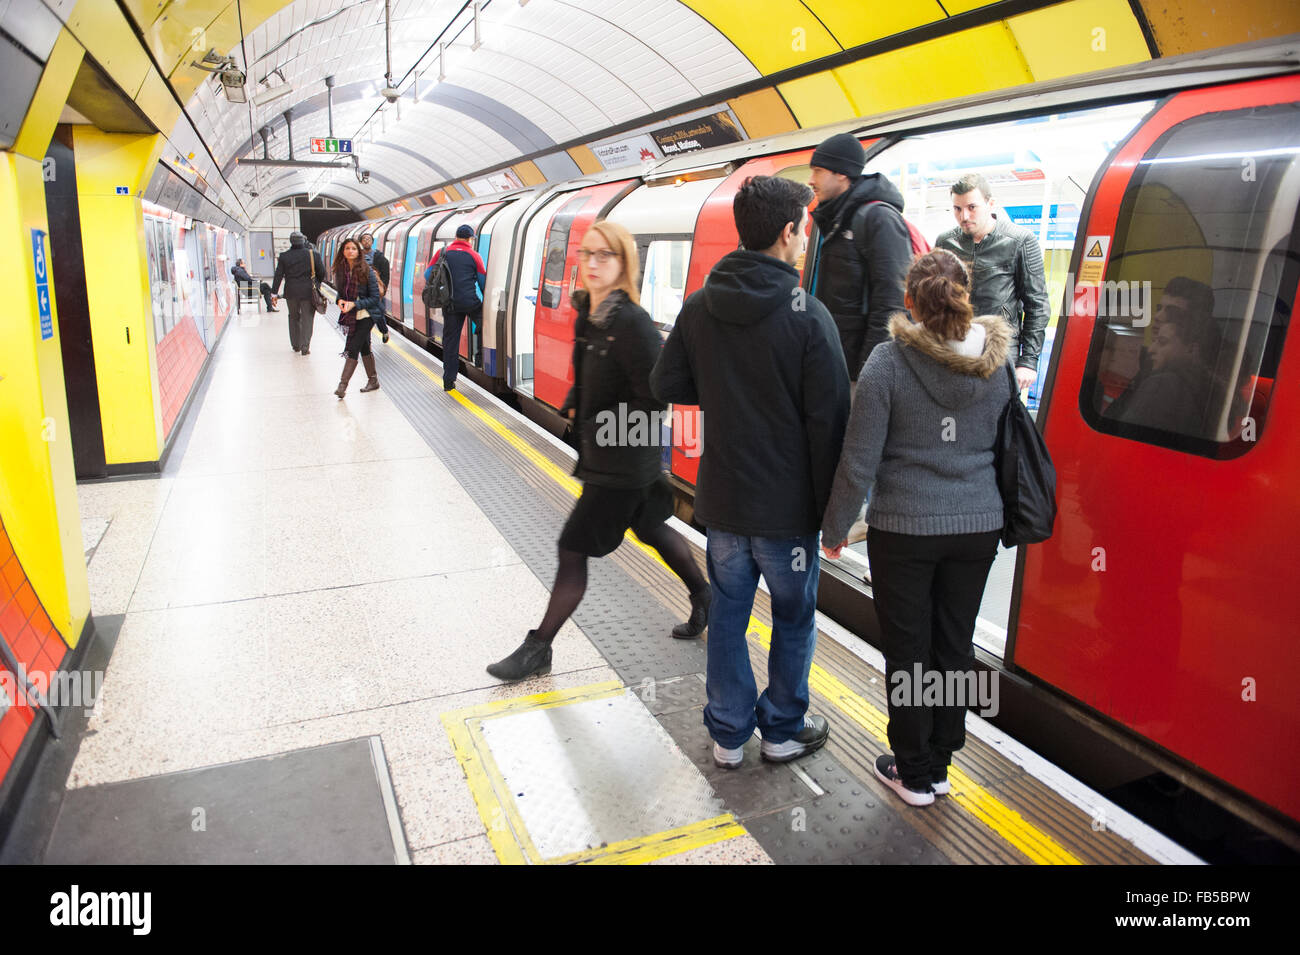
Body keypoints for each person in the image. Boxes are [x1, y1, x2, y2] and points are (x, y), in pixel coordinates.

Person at [651, 176, 850, 769]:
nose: (806, 236)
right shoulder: (809, 317)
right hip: (787, 514)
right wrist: (832, 515)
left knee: (730, 618)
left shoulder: (700, 305)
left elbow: (665, 385)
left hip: (726, 503)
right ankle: (783, 732)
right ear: (788, 232)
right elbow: (831, 424)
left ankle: (728, 736)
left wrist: (719, 388)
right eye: (805, 227)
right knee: (792, 619)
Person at [820, 249, 1013, 807]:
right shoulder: (996, 364)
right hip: (977, 528)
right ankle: (943, 760)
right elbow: (1004, 447)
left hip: (905, 530)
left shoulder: (887, 362)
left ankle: (913, 771)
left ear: (909, 301)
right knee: (954, 644)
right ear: (966, 293)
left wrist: (834, 529)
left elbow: (859, 461)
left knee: (909, 650)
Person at [486, 221, 710, 682]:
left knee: (571, 550)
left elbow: (655, 396)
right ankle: (704, 595)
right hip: (616, 457)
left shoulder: (631, 322)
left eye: (604, 256)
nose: (591, 264)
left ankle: (539, 647)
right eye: (587, 254)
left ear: (624, 262)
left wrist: (609, 435)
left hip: (621, 464)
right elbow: (594, 375)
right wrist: (576, 401)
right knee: (652, 527)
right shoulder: (593, 313)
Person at [808, 132, 913, 381]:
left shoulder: (878, 219)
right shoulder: (837, 216)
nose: (811, 180)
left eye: (818, 171)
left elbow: (892, 302)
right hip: (837, 359)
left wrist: (871, 370)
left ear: (842, 173)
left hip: (860, 368)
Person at [934, 173, 1049, 393]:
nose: (964, 216)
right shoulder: (945, 242)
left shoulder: (1020, 241)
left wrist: (1028, 362)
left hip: (1000, 352)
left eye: (972, 207)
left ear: (990, 204)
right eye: (957, 209)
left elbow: (1037, 304)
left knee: (997, 421)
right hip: (955, 347)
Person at [425, 225, 486, 390]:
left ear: (456, 236)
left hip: (450, 303)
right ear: (470, 239)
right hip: (470, 302)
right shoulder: (474, 255)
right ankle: (479, 358)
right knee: (484, 324)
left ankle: (448, 381)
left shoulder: (442, 252)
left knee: (451, 342)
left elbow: (427, 274)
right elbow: (482, 282)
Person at [331, 238, 383, 397]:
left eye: (353, 248)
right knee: (364, 346)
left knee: (353, 347)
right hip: (352, 315)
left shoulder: (367, 271)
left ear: (358, 252)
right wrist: (340, 302)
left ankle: (342, 386)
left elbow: (375, 298)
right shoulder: (341, 271)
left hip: (368, 314)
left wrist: (355, 304)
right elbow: (340, 294)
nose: (350, 251)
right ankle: (373, 380)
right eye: (347, 248)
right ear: (343, 252)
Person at [271, 232, 326, 355]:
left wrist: (274, 293)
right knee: (307, 318)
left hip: (291, 292)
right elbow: (322, 272)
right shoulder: (313, 255)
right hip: (308, 292)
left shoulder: (284, 256)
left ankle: (295, 345)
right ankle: (305, 346)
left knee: (293, 317)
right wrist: (316, 284)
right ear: (303, 240)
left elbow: (278, 275)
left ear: (291, 241)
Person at [360, 233, 391, 344]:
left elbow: (386, 275)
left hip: (375, 290)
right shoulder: (358, 257)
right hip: (362, 291)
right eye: (364, 239)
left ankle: (384, 330)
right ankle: (367, 341)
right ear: (361, 242)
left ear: (372, 242)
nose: (366, 241)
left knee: (377, 313)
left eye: (369, 239)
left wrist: (383, 287)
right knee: (364, 316)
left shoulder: (380, 258)